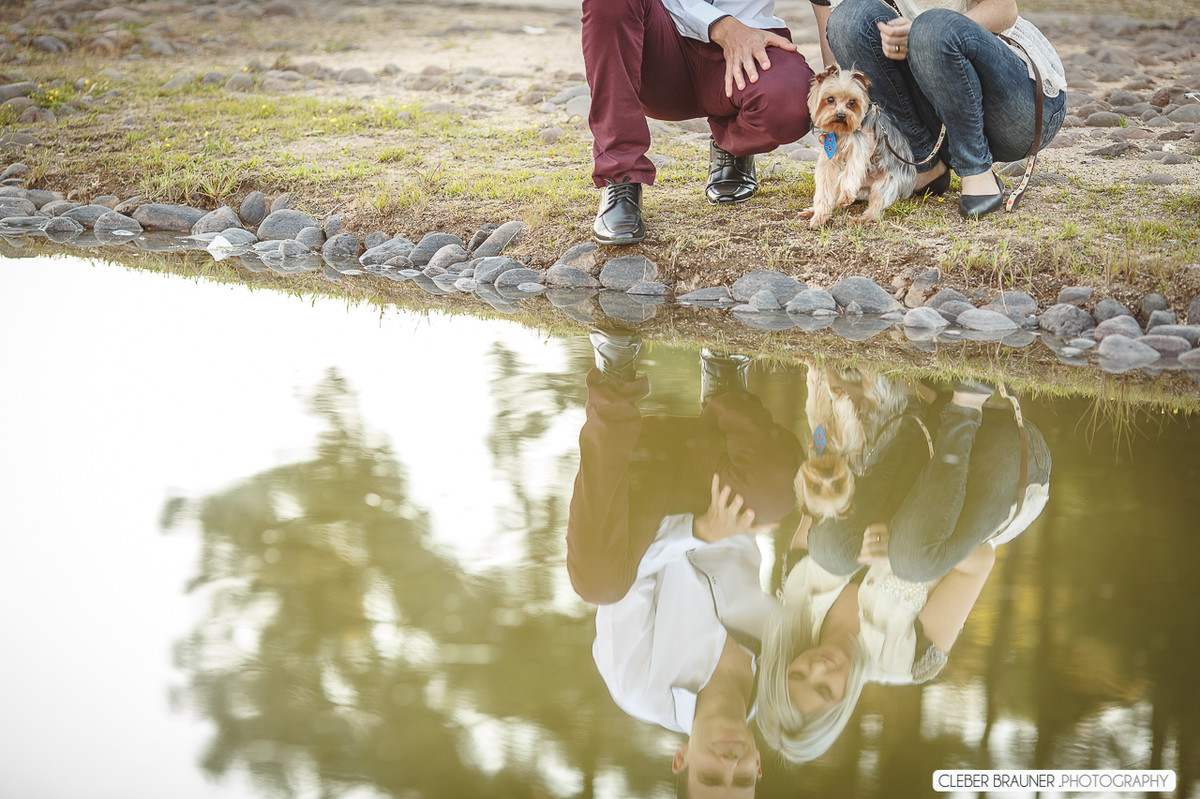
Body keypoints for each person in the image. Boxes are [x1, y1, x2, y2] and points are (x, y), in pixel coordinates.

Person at [757, 382, 1051, 762]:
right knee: (912, 560)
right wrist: (894, 553)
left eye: (797, 676)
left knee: (829, 550)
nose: (816, 670)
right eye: (824, 690)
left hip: (917, 439)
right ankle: (967, 399)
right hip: (1004, 466)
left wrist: (818, 418)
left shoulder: (795, 597)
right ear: (842, 705)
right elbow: (979, 563)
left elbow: (816, 487)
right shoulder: (907, 662)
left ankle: (929, 404)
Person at [582, 0, 817, 245]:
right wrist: (723, 26)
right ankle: (621, 179)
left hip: (750, 36)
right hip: (660, 44)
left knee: (792, 101)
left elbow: (830, 7)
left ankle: (730, 141)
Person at [809, 0, 1067, 218]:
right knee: (847, 20)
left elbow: (1004, 8)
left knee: (931, 27)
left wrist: (925, 35)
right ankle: (924, 164)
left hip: (1021, 106)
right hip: (938, 107)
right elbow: (831, 38)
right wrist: (845, 124)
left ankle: (975, 168)